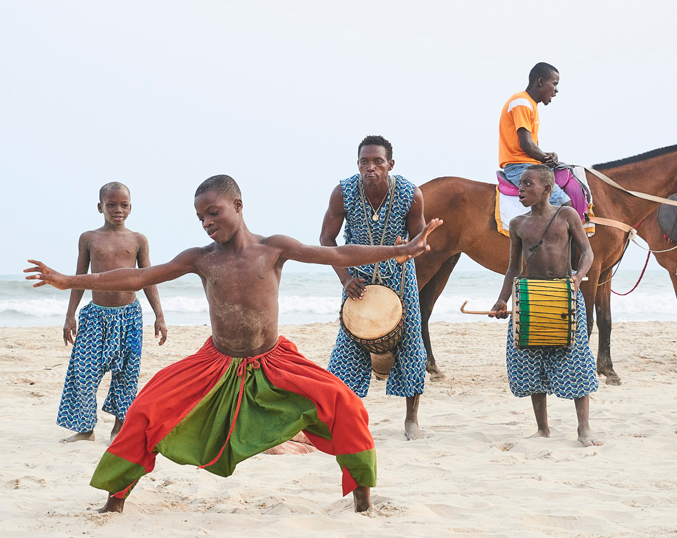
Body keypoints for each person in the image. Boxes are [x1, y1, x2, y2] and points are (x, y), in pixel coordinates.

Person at [25, 174, 442, 513]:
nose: (206, 222)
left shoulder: (273, 248)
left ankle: (363, 499)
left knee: (345, 405)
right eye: (200, 217)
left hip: (275, 361)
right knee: (145, 412)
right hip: (216, 363)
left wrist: (401, 249)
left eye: (213, 212)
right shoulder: (200, 258)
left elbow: (334, 253)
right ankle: (114, 502)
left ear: (237, 207)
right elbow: (135, 278)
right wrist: (68, 281)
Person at [320, 135, 429, 441]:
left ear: (390, 165)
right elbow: (326, 240)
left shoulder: (411, 194)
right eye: (364, 162)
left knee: (411, 345)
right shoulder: (343, 192)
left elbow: (418, 243)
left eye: (377, 161)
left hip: (400, 277)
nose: (370, 168)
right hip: (357, 280)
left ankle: (411, 420)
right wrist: (345, 280)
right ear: (358, 165)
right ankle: (346, 418)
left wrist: (408, 249)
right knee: (348, 347)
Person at [489, 164, 601, 446]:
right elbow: (514, 268)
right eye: (521, 184)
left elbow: (587, 251)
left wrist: (577, 278)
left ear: (547, 189)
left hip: (565, 294)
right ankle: (542, 428)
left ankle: (583, 428)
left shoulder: (567, 215)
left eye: (528, 184)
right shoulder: (518, 224)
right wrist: (503, 299)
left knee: (576, 360)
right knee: (529, 361)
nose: (521, 189)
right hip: (531, 296)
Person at [58, 182, 167, 444]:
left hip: (129, 316)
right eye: (111, 205)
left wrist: (159, 315)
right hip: (95, 316)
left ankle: (119, 429)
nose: (118, 210)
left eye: (123, 205)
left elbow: (147, 279)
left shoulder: (138, 240)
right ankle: (85, 430)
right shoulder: (89, 238)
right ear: (100, 207)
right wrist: (70, 315)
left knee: (127, 376)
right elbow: (79, 278)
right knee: (84, 373)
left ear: (130, 207)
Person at [498, 62, 571, 206]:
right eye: (554, 84)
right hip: (519, 167)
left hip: (528, 164)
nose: (556, 90)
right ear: (541, 82)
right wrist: (547, 159)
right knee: (563, 204)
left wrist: (547, 156)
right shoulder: (522, 102)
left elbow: (532, 147)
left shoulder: (530, 104)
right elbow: (527, 145)